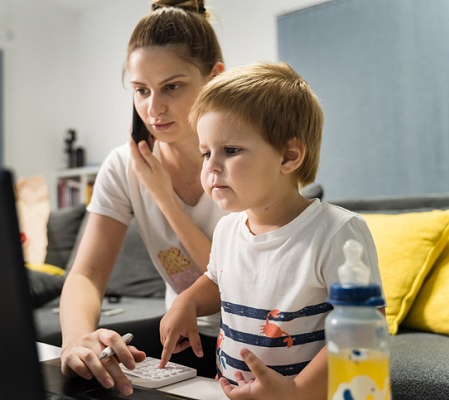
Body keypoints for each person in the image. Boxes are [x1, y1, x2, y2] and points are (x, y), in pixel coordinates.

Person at [159, 62, 385, 399]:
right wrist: (187, 302)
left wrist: (295, 391)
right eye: (206, 152)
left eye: (231, 150)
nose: (211, 166)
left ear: (289, 156)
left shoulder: (338, 233)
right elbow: (218, 280)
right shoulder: (227, 230)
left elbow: (365, 333)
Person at [58, 0, 227, 396]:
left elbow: (231, 284)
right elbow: (85, 275)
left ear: (215, 77)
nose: (154, 108)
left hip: (253, 332)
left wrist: (164, 199)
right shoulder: (123, 166)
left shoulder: (241, 157)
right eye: (141, 90)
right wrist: (77, 341)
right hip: (183, 335)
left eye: (172, 86)